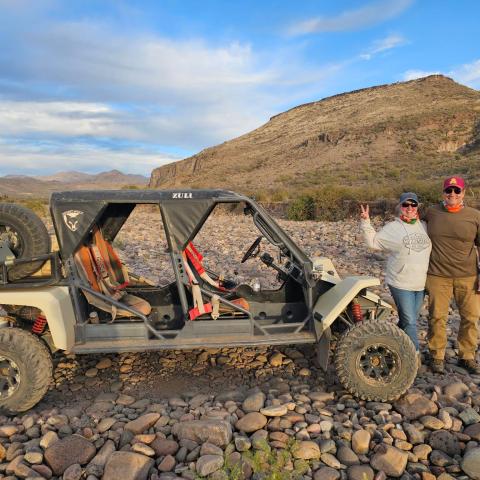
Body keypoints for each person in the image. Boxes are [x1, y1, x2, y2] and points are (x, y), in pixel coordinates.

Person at [360, 193, 431, 358]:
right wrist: (365, 222)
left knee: (407, 321)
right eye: (406, 205)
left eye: (413, 205)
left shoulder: (424, 226)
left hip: (420, 284)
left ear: (417, 207)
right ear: (400, 207)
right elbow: (373, 243)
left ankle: (390, 342)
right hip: (400, 283)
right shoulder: (393, 228)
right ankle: (414, 357)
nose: (410, 208)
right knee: (411, 322)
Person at [424, 176, 480, 374]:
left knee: (471, 318)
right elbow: (410, 223)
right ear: (443, 193)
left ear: (464, 193)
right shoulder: (431, 213)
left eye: (457, 191)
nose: (453, 195)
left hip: (469, 276)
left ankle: (467, 356)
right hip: (438, 275)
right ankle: (437, 356)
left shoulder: (475, 216)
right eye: (449, 191)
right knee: (437, 317)